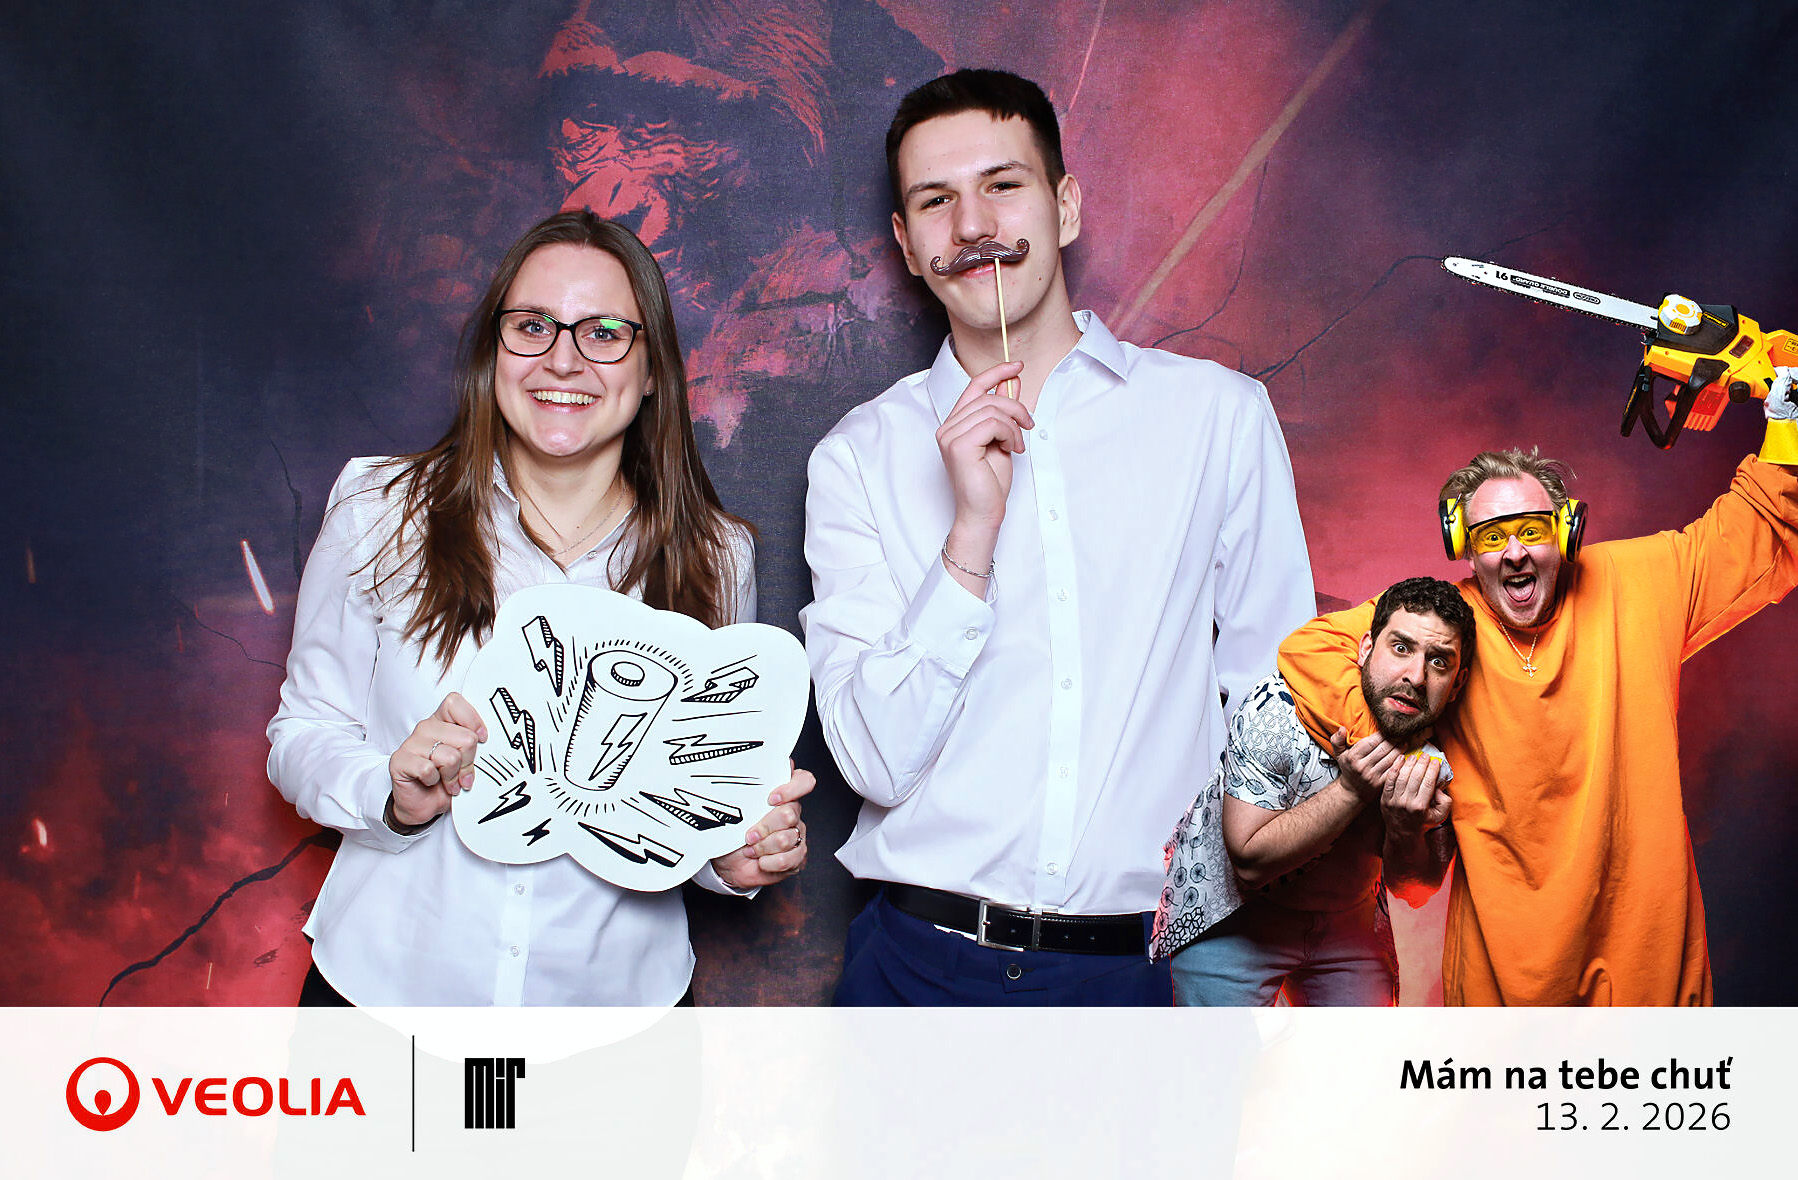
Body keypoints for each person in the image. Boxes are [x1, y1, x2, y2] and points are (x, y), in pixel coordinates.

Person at [801, 69, 1315, 1005]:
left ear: (1065, 206)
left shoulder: (1218, 417)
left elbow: (1277, 699)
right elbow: (873, 761)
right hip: (915, 970)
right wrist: (972, 532)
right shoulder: (856, 458)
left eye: (1003, 185)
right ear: (907, 246)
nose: (973, 226)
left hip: (1147, 974)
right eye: (936, 201)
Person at [267, 210, 812, 1006]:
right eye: (532, 326)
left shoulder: (716, 555)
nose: (563, 359)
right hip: (383, 1001)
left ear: (652, 370)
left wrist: (734, 857)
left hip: (617, 1024)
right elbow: (304, 732)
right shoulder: (380, 509)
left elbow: (688, 803)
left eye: (605, 333)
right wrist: (390, 793)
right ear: (493, 352)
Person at [1278, 378, 1798, 1005]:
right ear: (1464, 548)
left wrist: (1787, 425)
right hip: (1503, 982)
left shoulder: (1640, 580)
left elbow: (1762, 532)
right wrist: (1402, 749)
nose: (1515, 553)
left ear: (1566, 530)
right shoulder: (1444, 632)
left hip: (1648, 964)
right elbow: (1311, 651)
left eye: (1531, 528)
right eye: (1491, 536)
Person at [1153, 577, 1473, 1005]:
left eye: (1438, 662)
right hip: (1233, 919)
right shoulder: (1276, 709)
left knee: (1364, 1050)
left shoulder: (1441, 750)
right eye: (1401, 648)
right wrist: (1352, 790)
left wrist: (1404, 828)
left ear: (1457, 681)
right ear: (1365, 649)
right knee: (1217, 1051)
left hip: (1347, 919)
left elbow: (1415, 890)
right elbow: (1248, 862)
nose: (1415, 676)